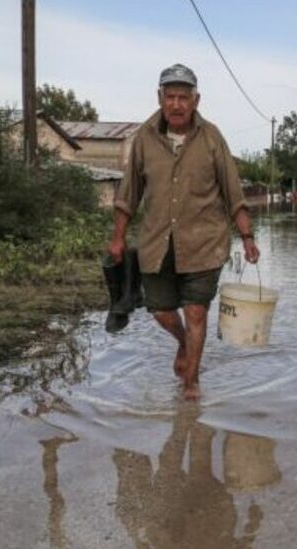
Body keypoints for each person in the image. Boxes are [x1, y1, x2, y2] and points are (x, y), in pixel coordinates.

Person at [108, 63, 259, 401]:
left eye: (183, 97)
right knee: (161, 310)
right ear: (160, 98)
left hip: (204, 242)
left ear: (196, 100)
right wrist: (118, 237)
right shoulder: (145, 138)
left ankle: (191, 383)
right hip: (156, 242)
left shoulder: (212, 138)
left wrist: (247, 237)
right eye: (170, 97)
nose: (176, 104)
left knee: (196, 311)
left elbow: (234, 192)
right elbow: (128, 192)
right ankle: (182, 343)